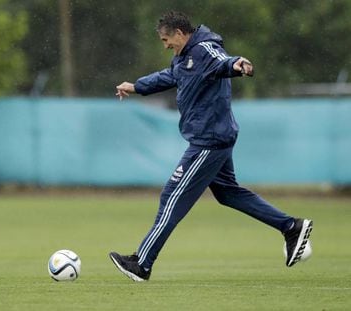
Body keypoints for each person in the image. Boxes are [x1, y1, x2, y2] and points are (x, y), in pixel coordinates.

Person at [109, 11, 313, 282]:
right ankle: (291, 227)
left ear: (181, 33)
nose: (165, 44)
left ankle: (142, 263)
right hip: (215, 136)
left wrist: (238, 64)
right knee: (228, 193)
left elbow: (223, 62)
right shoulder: (184, 57)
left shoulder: (205, 49)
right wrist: (137, 86)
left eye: (166, 39)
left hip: (209, 141)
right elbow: (169, 77)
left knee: (172, 195)